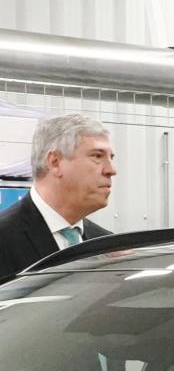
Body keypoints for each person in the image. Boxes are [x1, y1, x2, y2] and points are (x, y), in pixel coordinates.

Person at [0, 113, 116, 283]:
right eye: (97, 156)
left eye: (111, 158)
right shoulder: (4, 239)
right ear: (55, 162)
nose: (111, 170)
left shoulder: (107, 246)